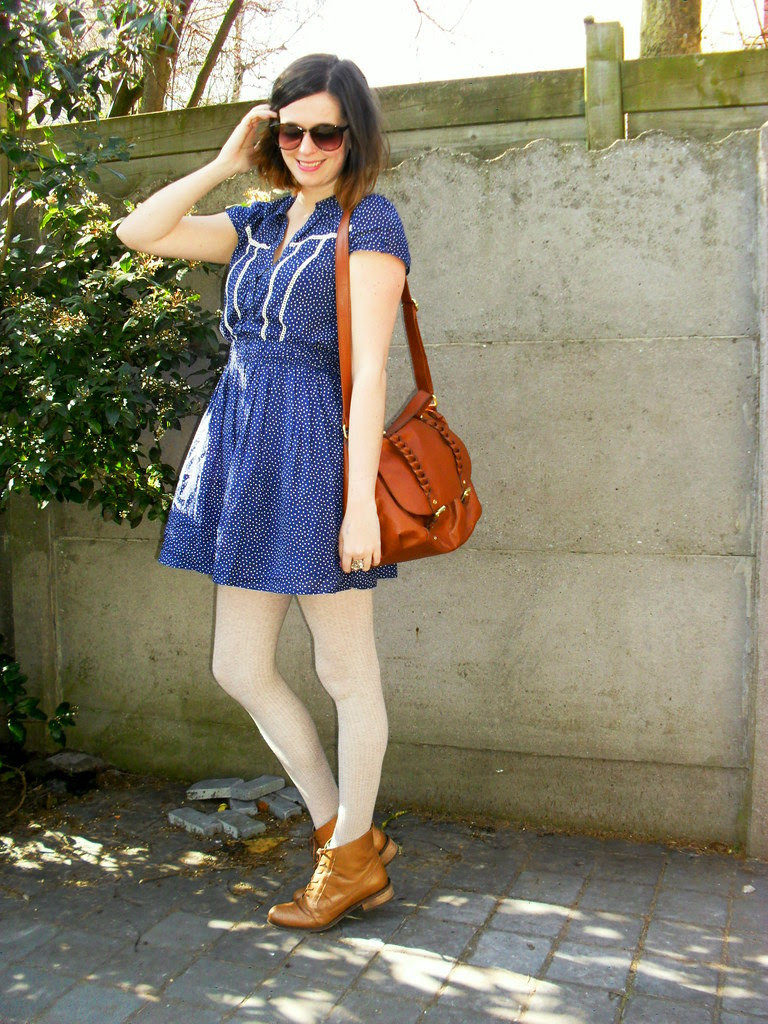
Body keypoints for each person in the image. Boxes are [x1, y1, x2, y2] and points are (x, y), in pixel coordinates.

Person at [116, 53, 409, 932]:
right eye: (290, 131)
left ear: (355, 134)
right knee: (237, 666)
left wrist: (359, 505)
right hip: (244, 446)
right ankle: (344, 836)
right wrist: (221, 162)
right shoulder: (260, 219)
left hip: (316, 451)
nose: (307, 146)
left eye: (325, 131)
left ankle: (348, 860)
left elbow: (369, 374)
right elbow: (141, 232)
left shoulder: (370, 221)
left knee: (344, 670)